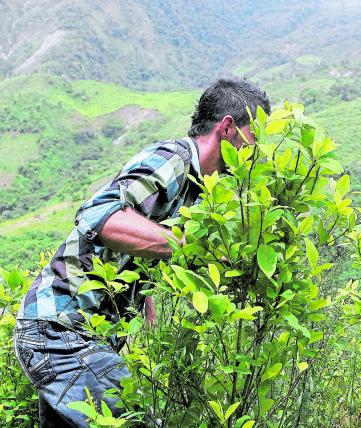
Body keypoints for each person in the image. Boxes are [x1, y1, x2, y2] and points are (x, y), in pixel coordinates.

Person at [13, 77, 270, 427]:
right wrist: (188, 247)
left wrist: (146, 308)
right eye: (253, 138)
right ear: (228, 129)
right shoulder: (174, 161)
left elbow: (143, 240)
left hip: (73, 333)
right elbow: (98, 216)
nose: (254, 152)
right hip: (61, 330)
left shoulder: (197, 191)